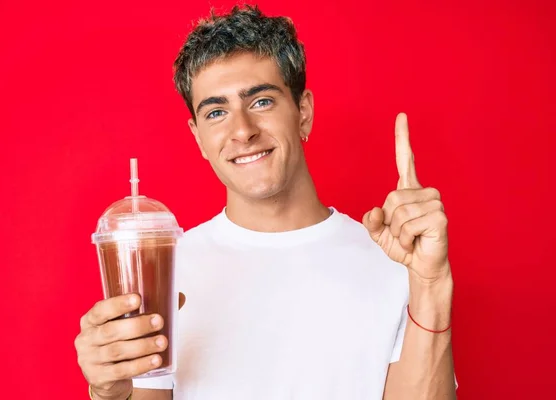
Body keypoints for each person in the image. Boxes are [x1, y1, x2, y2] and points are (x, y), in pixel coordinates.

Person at [75, 5, 457, 400]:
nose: (242, 130)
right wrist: (109, 393)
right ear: (198, 138)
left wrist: (431, 284)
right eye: (217, 111)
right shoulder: (166, 274)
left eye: (261, 102)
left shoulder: (397, 261)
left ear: (303, 112)